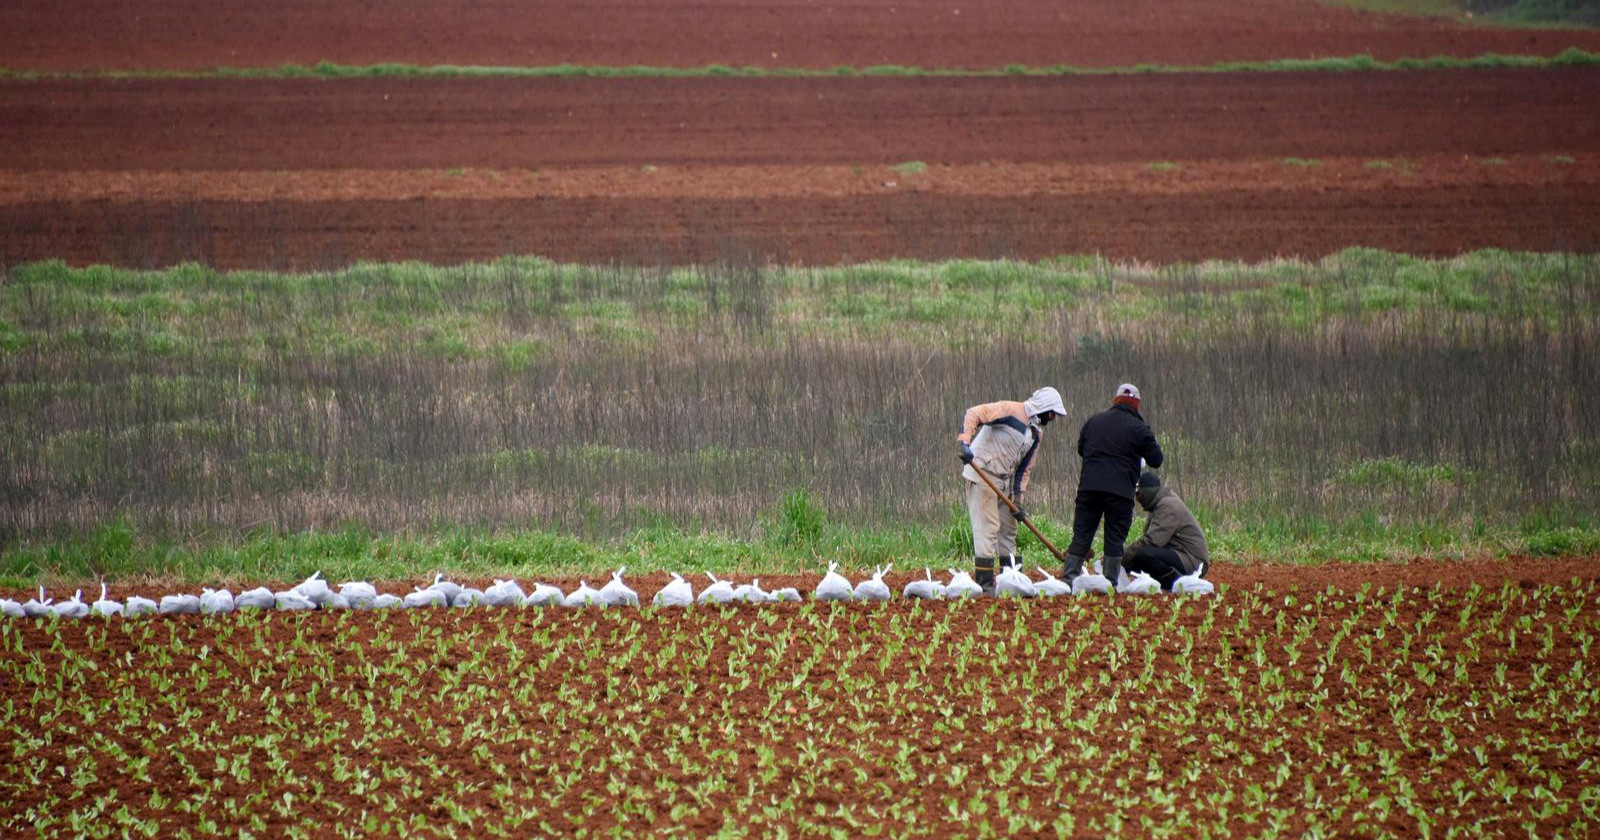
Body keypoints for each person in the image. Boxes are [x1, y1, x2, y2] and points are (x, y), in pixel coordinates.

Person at [957, 387, 1067, 594]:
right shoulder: (1009, 410)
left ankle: (1011, 581)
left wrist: (1018, 500)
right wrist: (965, 442)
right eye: (1052, 413)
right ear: (1042, 407)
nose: (1052, 418)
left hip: (1006, 482)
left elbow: (1024, 469)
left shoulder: (1036, 433)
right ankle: (986, 586)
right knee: (987, 529)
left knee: (1009, 530)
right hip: (983, 475)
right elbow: (974, 413)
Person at [1062, 383, 1164, 584]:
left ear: (1115, 401)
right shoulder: (1140, 428)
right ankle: (1109, 584)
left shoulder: (1094, 421)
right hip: (1120, 492)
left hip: (1089, 489)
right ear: (1136, 405)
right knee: (1114, 539)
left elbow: (1082, 449)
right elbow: (1156, 460)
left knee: (1082, 535)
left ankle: (1068, 580)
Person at [1125, 470, 1209, 591]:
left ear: (1147, 491)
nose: (1137, 499)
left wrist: (1121, 558)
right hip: (1182, 555)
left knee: (1143, 554)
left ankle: (1177, 585)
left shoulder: (1168, 506)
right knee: (1138, 556)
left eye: (1139, 493)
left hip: (1193, 561)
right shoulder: (1160, 504)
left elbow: (1151, 542)